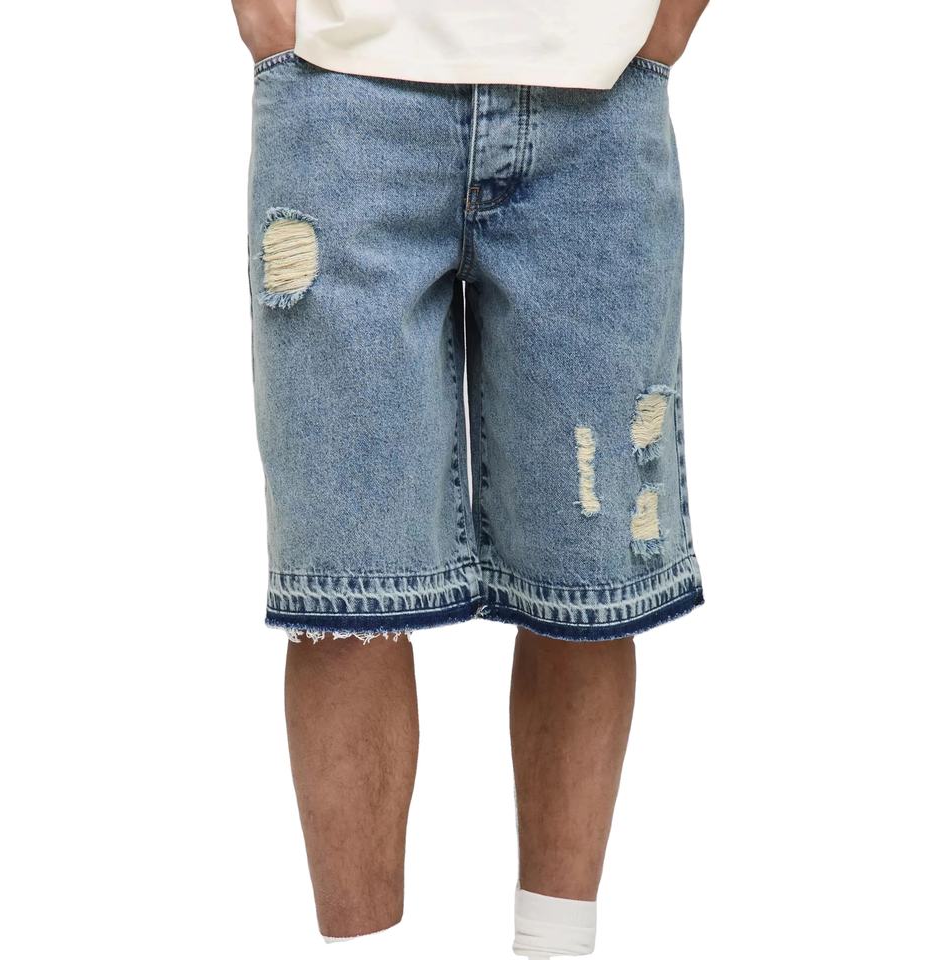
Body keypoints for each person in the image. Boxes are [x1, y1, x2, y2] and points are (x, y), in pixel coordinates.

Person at [231, 0, 709, 954]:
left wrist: (665, 22)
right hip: (342, 93)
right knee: (345, 590)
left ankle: (555, 947)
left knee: (587, 585)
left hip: (599, 98)